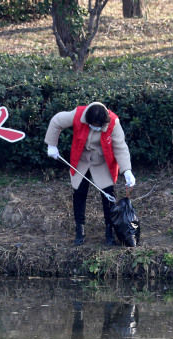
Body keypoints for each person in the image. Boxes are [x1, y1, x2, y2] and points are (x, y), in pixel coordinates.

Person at [44, 102, 136, 246]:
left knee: (108, 197)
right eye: (93, 125)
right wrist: (52, 144)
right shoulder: (78, 115)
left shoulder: (113, 122)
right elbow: (57, 121)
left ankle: (109, 232)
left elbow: (120, 147)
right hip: (82, 160)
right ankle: (80, 231)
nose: (96, 128)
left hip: (102, 162)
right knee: (79, 194)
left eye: (98, 126)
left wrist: (127, 170)